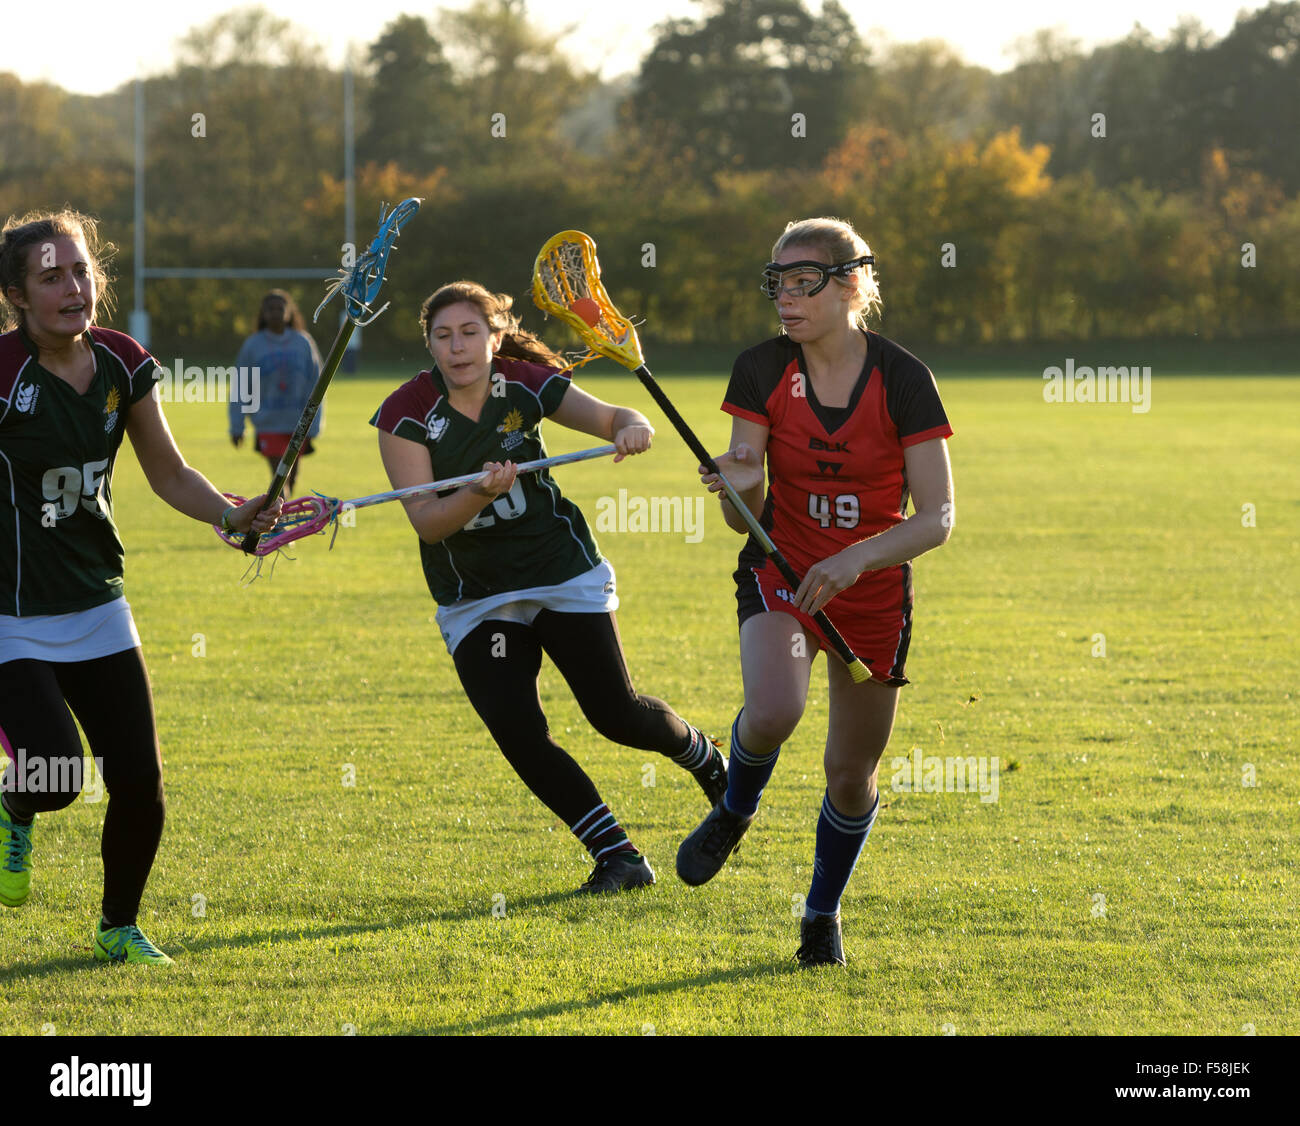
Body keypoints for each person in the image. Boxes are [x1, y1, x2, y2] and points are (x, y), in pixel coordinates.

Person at [371, 280, 726, 894]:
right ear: (428, 343)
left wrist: (632, 426)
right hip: (479, 593)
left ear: (496, 335)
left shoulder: (526, 384)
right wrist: (476, 492)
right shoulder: (404, 414)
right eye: (442, 336)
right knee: (518, 731)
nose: (456, 348)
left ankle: (707, 760)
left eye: (470, 333)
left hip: (559, 571)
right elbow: (429, 523)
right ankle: (618, 857)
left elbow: (616, 416)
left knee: (616, 715)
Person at [0, 209, 281, 964]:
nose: (73, 287)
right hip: (10, 616)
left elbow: (169, 473)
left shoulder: (122, 363)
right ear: (18, 297)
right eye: (51, 276)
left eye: (82, 271)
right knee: (56, 777)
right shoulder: (2, 375)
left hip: (97, 599)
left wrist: (231, 514)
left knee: (141, 784)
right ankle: (15, 803)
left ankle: (118, 927)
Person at [675, 217, 955, 966]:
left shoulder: (903, 378)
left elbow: (937, 517)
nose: (787, 299)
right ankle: (734, 808)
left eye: (804, 282)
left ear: (852, 285)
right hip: (784, 566)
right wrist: (733, 486)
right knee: (774, 709)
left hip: (870, 589)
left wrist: (857, 561)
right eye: (778, 283)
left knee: (850, 773)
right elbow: (746, 504)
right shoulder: (761, 369)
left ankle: (821, 913)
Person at [229, 289, 322, 494]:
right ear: (263, 313)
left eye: (280, 308)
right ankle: (280, 522)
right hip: (268, 422)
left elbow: (316, 385)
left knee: (292, 477)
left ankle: (282, 517)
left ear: (289, 312)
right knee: (279, 477)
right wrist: (237, 425)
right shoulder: (253, 345)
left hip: (298, 423)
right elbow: (241, 386)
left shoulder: (303, 342)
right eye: (270, 309)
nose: (275, 313)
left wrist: (314, 424)